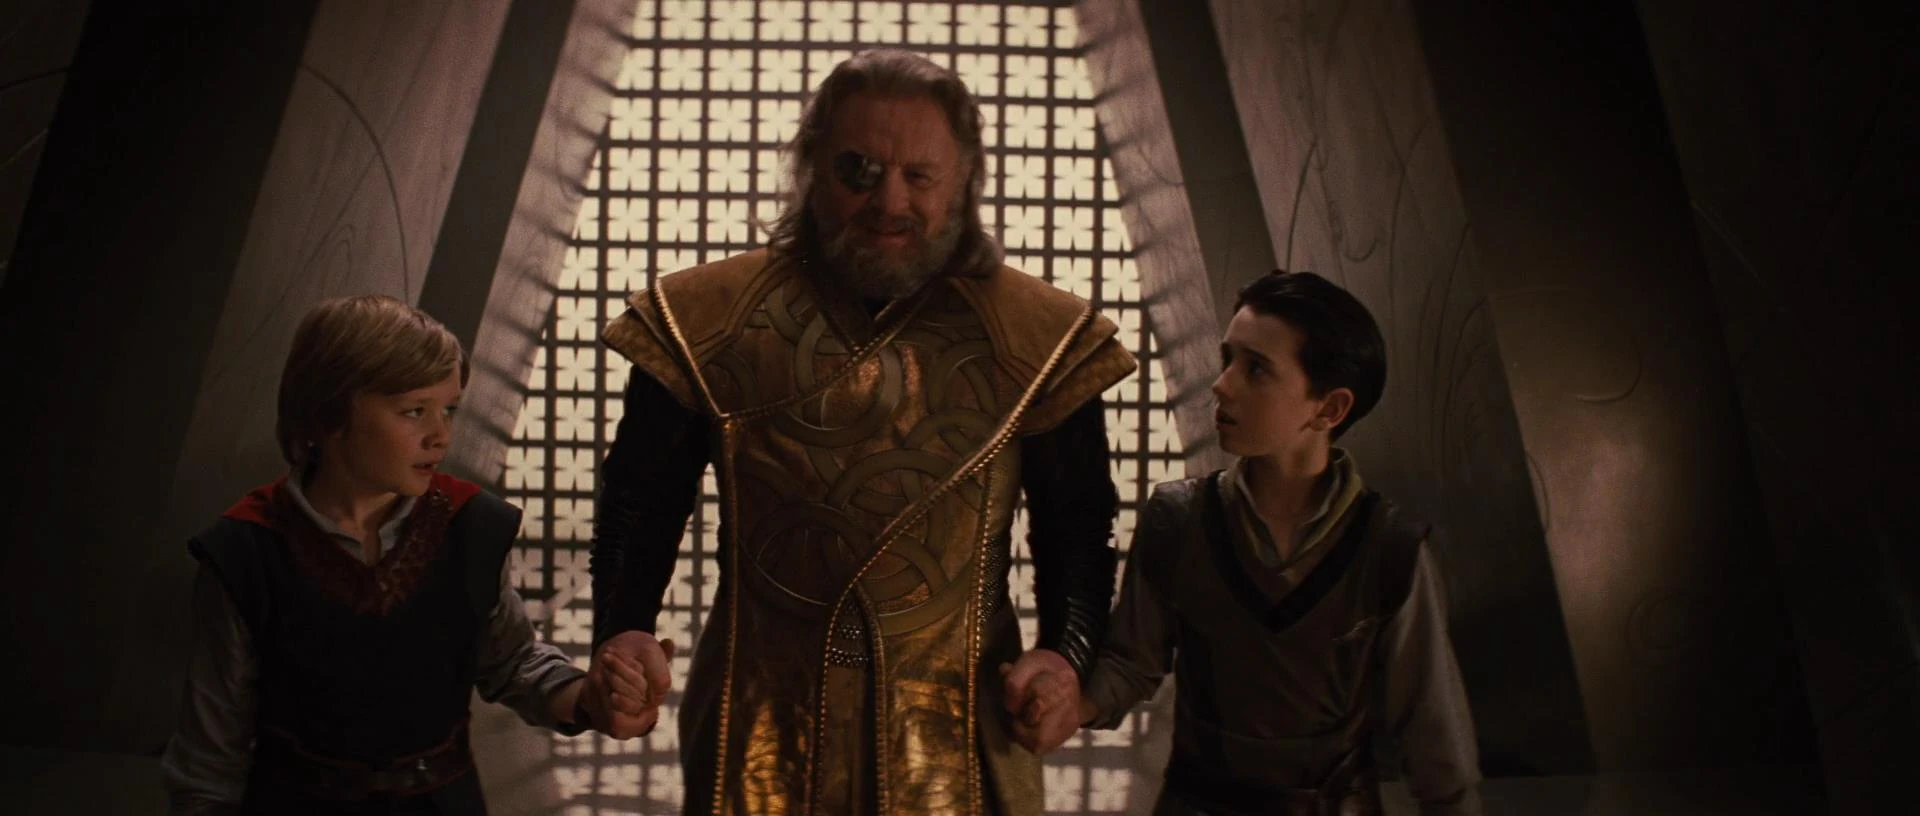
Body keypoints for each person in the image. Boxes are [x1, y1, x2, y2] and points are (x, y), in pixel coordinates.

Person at [586, 49, 1137, 815]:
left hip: (964, 728)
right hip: (756, 715)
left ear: (964, 178)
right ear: (813, 167)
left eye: (920, 175)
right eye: (860, 170)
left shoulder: (1039, 338)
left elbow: (1076, 522)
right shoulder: (706, 322)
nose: (890, 201)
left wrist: (1064, 654)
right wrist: (623, 629)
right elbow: (641, 498)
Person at [160, 295, 648, 814]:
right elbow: (210, 760)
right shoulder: (246, 552)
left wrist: (591, 698)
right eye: (414, 411)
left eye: (449, 409)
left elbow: (513, 662)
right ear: (330, 414)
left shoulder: (469, 526)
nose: (441, 435)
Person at [1076, 272, 1484, 815]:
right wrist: (1069, 702)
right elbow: (1131, 662)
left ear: (1329, 409)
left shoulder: (1389, 547)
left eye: (1256, 369)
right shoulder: (1179, 520)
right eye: (1227, 359)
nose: (1222, 385)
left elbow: (1435, 738)